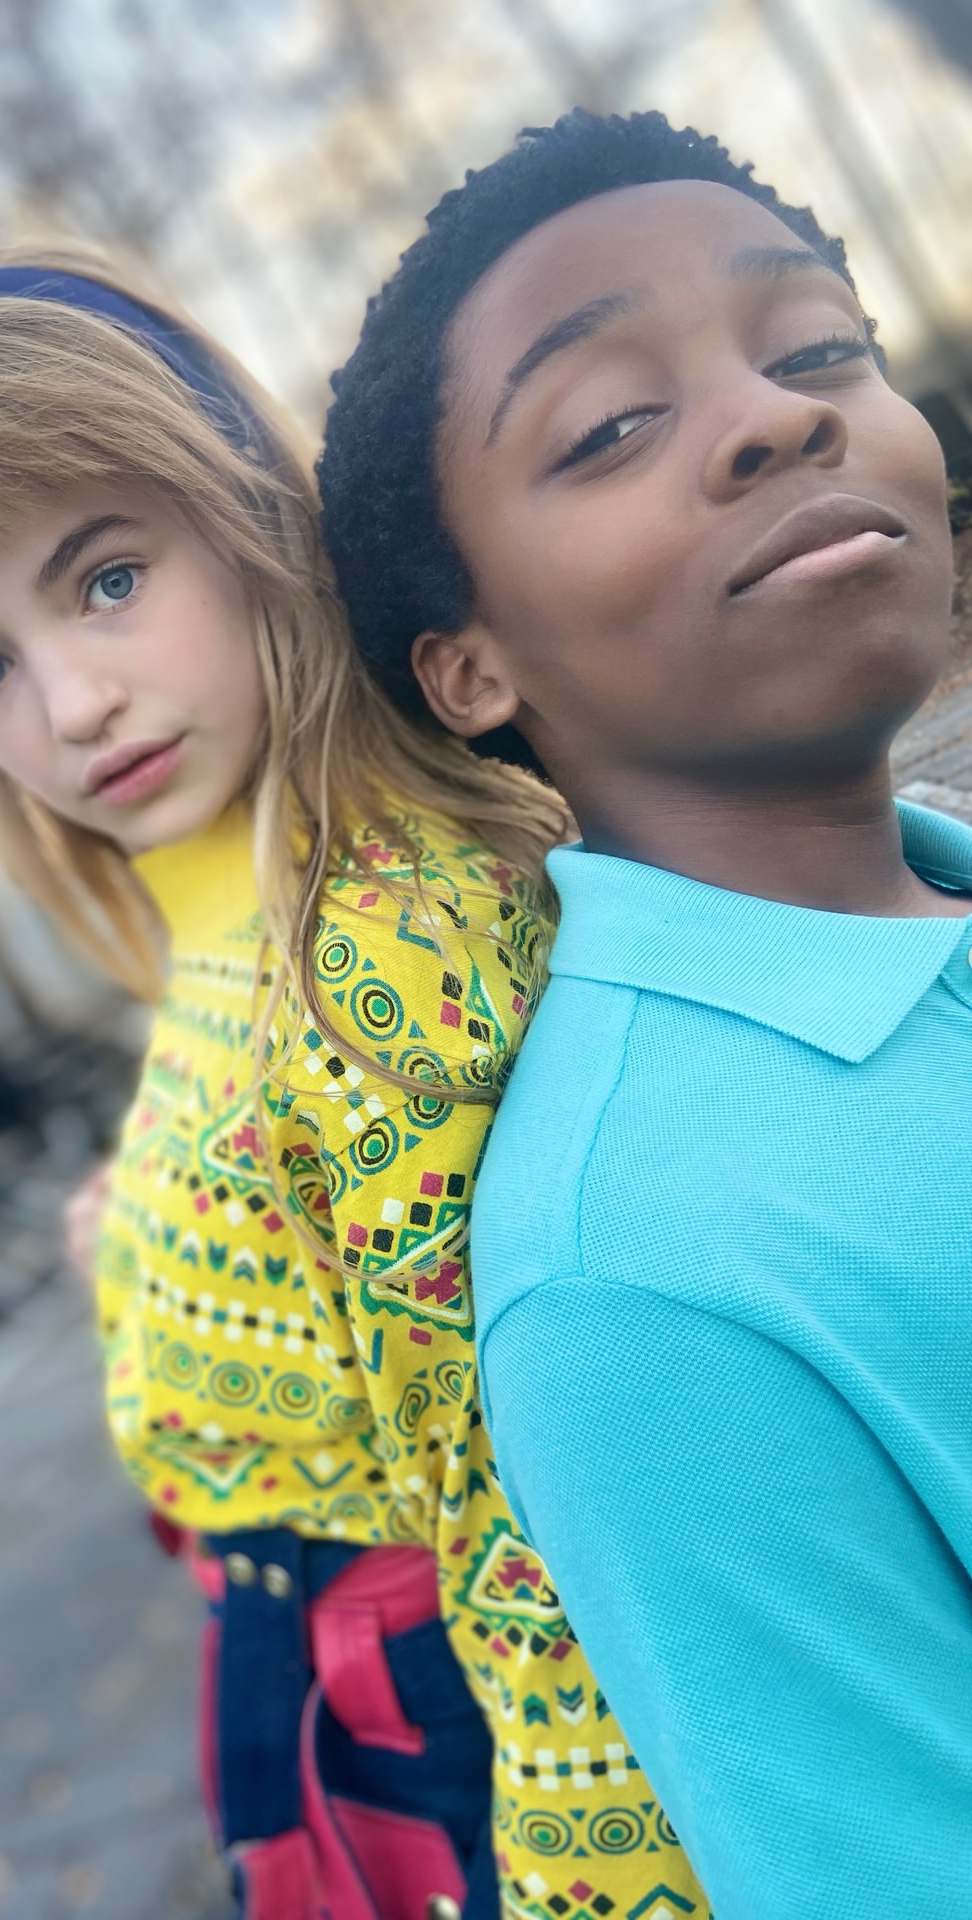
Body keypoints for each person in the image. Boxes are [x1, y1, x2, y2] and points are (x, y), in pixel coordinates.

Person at [0, 243, 709, 1917]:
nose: (73, 705)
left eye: (107, 578)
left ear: (240, 506)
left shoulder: (381, 947)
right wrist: (145, 1250)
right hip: (322, 1715)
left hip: (467, 1749)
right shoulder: (231, 903)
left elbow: (535, 1527)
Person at [318, 108, 972, 1917]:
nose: (777, 418)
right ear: (469, 667)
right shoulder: (631, 1273)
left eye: (818, 347)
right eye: (610, 425)